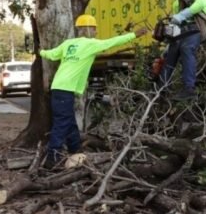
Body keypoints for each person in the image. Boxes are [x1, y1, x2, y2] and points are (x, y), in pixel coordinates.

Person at [40, 15, 148, 168]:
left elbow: (51, 54)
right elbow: (112, 42)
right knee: (62, 123)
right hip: (65, 89)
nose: (96, 32)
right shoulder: (90, 44)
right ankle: (52, 158)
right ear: (88, 30)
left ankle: (76, 149)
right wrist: (134, 35)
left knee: (69, 122)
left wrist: (40, 52)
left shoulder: (68, 44)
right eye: (94, 29)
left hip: (59, 87)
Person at [159, 0, 206, 101]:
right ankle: (161, 89)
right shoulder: (177, 2)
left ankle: (189, 89)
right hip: (181, 32)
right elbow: (176, 23)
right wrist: (168, 41)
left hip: (195, 28)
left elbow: (199, 5)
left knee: (187, 49)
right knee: (170, 54)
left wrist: (182, 15)